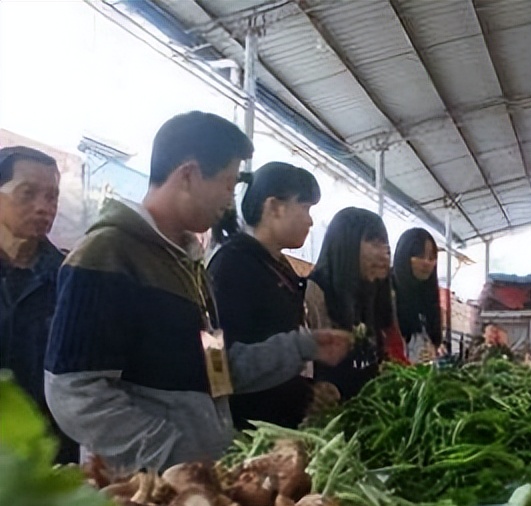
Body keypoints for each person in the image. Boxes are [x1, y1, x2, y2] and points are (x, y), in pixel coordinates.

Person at [44, 112, 352, 473]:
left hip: (200, 481)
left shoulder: (191, 268)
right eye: (227, 184)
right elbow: (74, 392)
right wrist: (175, 452)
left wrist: (302, 346)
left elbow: (217, 370)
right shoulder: (107, 254)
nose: (230, 200)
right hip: (148, 495)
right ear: (188, 175)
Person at [207, 161, 320, 429]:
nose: (310, 220)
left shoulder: (279, 266)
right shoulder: (231, 265)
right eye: (305, 208)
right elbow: (216, 365)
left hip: (283, 425)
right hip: (247, 433)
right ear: (274, 207)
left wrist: (308, 391)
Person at [0, 146, 79, 463]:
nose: (43, 207)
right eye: (27, 193)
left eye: (52, 197)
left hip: (50, 453)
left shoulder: (70, 278)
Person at [305, 207, 405, 400]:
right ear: (346, 244)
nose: (385, 254)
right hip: (328, 421)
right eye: (374, 243)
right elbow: (303, 370)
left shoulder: (370, 292)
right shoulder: (314, 294)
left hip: (367, 414)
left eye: (386, 245)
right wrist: (315, 390)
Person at [392, 227, 442, 363]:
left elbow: (434, 338)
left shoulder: (429, 296)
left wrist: (433, 349)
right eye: (419, 255)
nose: (426, 262)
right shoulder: (387, 291)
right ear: (404, 255)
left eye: (431, 257)